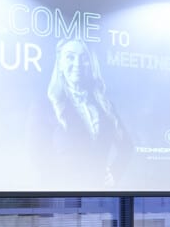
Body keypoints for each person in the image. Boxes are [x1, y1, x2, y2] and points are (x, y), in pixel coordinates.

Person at [43, 36, 133, 186]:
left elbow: (127, 145)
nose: (78, 64)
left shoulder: (105, 106)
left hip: (100, 195)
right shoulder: (46, 106)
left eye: (84, 58)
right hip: (61, 195)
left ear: (91, 65)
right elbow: (36, 155)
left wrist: (115, 174)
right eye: (70, 57)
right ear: (60, 64)